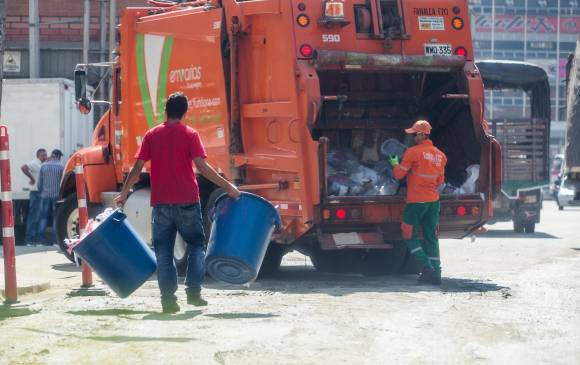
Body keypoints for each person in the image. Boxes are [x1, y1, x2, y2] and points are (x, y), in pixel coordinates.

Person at [115, 92, 240, 314]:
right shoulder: (190, 135)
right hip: (187, 201)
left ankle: (168, 300)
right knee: (196, 247)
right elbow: (202, 167)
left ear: (166, 111)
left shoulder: (152, 135)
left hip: (161, 203)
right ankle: (193, 293)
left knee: (163, 251)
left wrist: (124, 193)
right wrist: (228, 186)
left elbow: (136, 170)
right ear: (184, 112)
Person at [389, 120, 447, 286]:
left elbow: (399, 175)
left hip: (416, 202)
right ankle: (436, 274)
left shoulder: (413, 152)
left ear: (422, 134)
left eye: (414, 134)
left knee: (408, 234)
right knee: (431, 237)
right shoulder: (440, 155)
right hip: (433, 202)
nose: (412, 137)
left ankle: (426, 266)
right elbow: (440, 180)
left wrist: (394, 164)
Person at [37, 149, 65, 245]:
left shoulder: (43, 166)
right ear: (58, 156)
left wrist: (41, 191)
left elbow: (39, 182)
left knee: (43, 217)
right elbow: (62, 182)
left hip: (45, 195)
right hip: (56, 195)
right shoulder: (61, 167)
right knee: (55, 217)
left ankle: (41, 240)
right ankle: (55, 240)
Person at [21, 148, 48, 244]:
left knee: (39, 217)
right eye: (43, 155)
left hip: (41, 192)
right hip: (35, 193)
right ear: (38, 155)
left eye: (46, 155)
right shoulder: (34, 163)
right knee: (34, 216)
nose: (46, 156)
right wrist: (32, 179)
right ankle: (29, 239)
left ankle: (36, 239)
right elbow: (23, 167)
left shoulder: (42, 164)